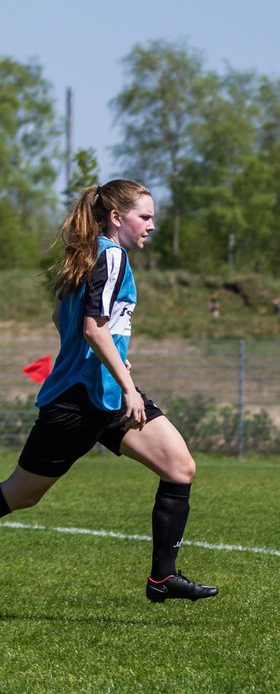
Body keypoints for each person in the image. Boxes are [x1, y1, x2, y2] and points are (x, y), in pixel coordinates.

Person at [0, 180, 218, 602]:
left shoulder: (88, 255)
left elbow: (60, 316)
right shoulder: (112, 254)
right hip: (77, 402)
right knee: (20, 495)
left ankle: (162, 579)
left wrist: (114, 358)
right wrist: (123, 379)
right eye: (145, 216)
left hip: (105, 394)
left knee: (179, 467)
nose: (151, 225)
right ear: (117, 218)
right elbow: (91, 327)